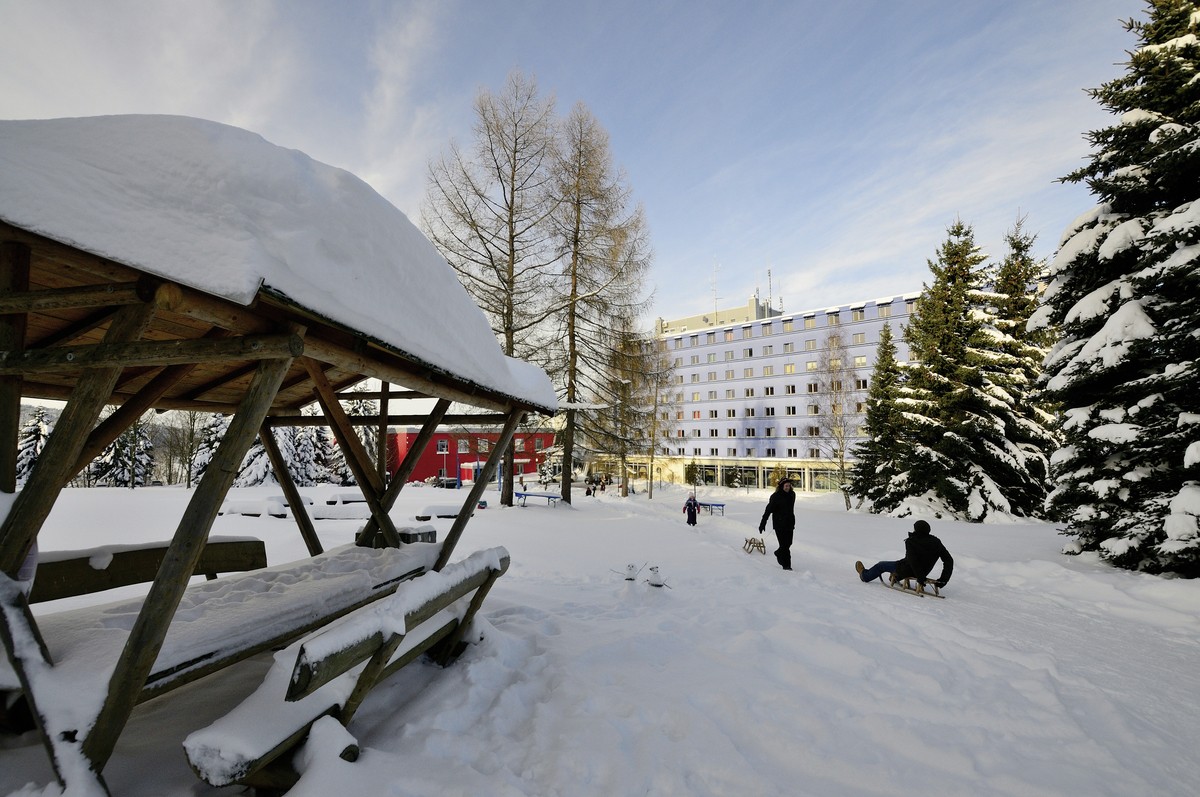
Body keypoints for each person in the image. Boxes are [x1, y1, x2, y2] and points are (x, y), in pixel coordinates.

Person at [856, 519, 953, 589]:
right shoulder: (936, 542)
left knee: (881, 565)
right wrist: (944, 579)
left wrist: (920, 578)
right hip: (923, 571)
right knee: (900, 563)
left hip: (909, 570)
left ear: (916, 529)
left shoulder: (912, 541)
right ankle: (896, 577)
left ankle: (865, 576)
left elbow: (913, 561)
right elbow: (949, 560)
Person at [758, 479, 796, 570]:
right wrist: (763, 523)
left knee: (789, 543)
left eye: (789, 485)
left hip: (789, 523)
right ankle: (786, 565)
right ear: (781, 486)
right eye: (786, 486)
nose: (787, 487)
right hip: (779, 524)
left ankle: (778, 553)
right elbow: (768, 510)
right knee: (784, 545)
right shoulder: (775, 497)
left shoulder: (792, 494)